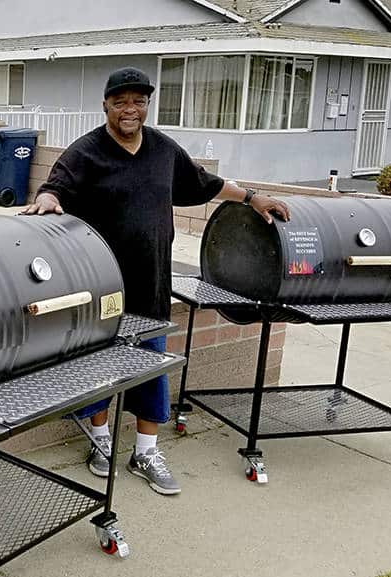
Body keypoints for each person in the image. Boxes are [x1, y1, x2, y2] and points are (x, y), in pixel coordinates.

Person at [22, 67, 290, 495]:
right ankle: (101, 441)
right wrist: (47, 201)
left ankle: (145, 450)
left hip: (151, 284)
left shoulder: (164, 150)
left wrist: (254, 198)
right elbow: (54, 189)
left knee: (150, 366)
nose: (131, 109)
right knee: (100, 366)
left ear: (147, 105)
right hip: (102, 286)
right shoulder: (86, 151)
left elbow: (207, 182)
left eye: (139, 101)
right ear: (106, 105)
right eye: (122, 101)